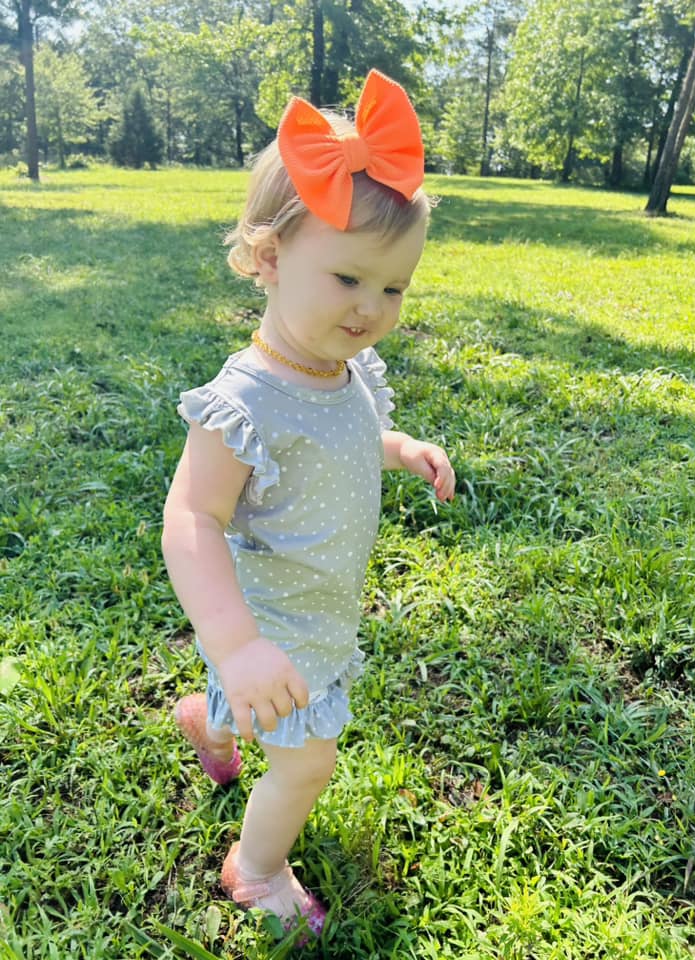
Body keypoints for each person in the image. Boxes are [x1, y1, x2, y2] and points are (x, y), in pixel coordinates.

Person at [162, 69, 456, 943]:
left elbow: (347, 438)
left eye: (394, 288)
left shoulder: (342, 368)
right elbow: (191, 520)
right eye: (349, 279)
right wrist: (238, 644)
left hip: (317, 614)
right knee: (308, 763)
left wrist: (398, 450)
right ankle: (255, 870)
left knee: (248, 710)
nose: (372, 308)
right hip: (272, 627)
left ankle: (204, 719)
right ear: (269, 257)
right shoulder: (242, 403)